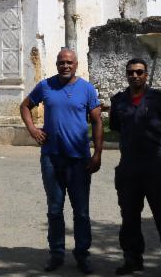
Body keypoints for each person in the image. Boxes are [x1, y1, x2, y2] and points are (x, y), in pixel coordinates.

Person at [20, 48, 103, 274]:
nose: (65, 66)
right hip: (52, 158)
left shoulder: (86, 89)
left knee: (81, 211)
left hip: (79, 160)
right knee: (55, 210)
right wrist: (32, 129)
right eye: (61, 62)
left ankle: (82, 255)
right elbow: (25, 106)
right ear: (56, 65)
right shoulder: (45, 86)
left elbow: (97, 121)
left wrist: (97, 153)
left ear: (76, 64)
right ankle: (56, 254)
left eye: (69, 62)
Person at [109, 58, 161, 277]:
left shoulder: (160, 99)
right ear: (127, 75)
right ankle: (132, 259)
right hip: (129, 166)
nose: (135, 76)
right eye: (130, 72)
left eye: (139, 72)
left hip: (156, 166)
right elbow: (116, 126)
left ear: (146, 75)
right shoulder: (119, 101)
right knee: (129, 217)